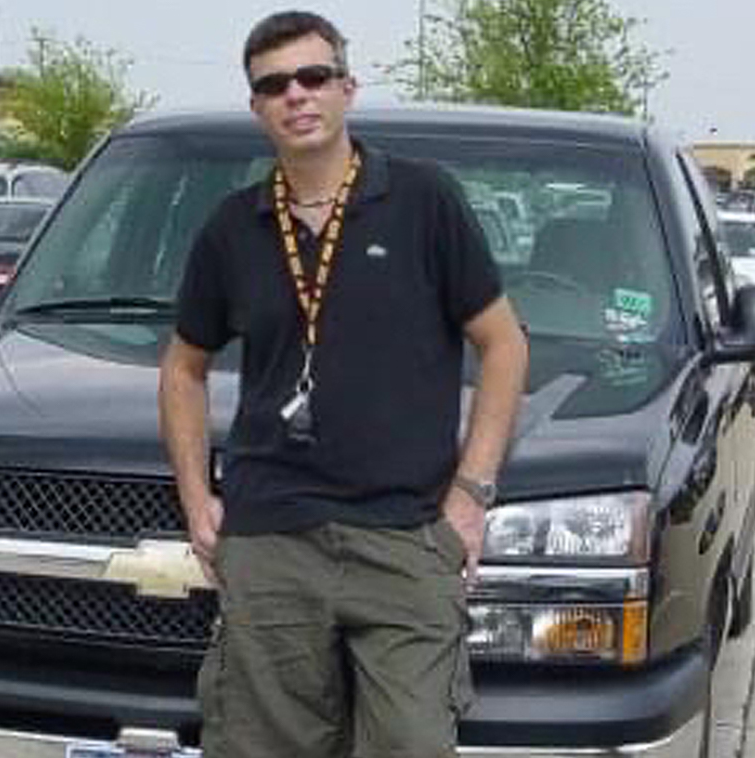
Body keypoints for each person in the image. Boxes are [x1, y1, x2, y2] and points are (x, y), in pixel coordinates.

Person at [158, 10, 529, 757]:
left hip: (404, 535)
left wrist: (472, 492)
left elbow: (505, 346)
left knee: (411, 743)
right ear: (257, 107)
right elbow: (182, 366)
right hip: (270, 541)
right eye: (274, 84)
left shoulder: (424, 201)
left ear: (347, 88)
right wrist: (197, 501)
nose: (296, 95)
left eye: (313, 76)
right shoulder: (233, 227)